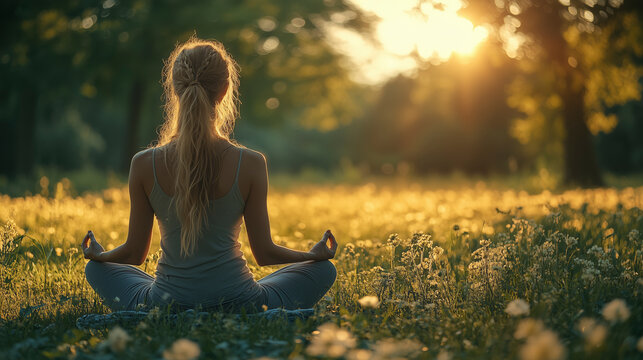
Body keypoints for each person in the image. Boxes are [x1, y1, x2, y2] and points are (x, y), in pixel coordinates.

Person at [82, 37, 337, 313]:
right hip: (241, 303)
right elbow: (264, 253)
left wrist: (100, 255)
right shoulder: (250, 163)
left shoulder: (144, 163)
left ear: (175, 90)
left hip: (166, 304)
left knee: (96, 270)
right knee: (324, 270)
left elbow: (134, 253)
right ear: (225, 89)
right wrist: (312, 256)